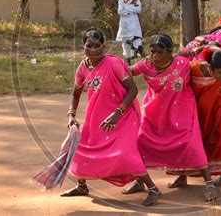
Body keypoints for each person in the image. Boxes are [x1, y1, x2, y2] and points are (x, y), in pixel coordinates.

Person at [60, 29, 161, 206]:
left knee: (125, 154)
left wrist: (117, 113)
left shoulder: (114, 63)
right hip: (98, 117)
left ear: (103, 47)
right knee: (80, 148)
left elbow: (133, 90)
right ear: (82, 47)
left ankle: (153, 189)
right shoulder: (82, 67)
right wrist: (71, 115)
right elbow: (76, 94)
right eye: (88, 46)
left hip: (124, 114)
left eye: (96, 46)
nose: (92, 49)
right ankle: (82, 186)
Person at [124, 34, 218, 202]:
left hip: (182, 113)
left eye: (160, 52)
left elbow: (205, 61)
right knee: (140, 143)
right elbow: (125, 72)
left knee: (192, 146)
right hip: (154, 114)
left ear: (170, 52)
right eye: (152, 52)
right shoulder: (145, 65)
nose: (155, 56)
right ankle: (140, 181)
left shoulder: (182, 63)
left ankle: (209, 183)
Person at [171, 49, 221, 192]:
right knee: (189, 143)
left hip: (218, 110)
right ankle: (182, 176)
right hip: (196, 112)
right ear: (210, 68)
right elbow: (177, 63)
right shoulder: (194, 68)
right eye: (220, 72)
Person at [116, 0, 144, 65]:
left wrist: (126, 9)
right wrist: (132, 10)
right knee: (126, 45)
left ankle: (146, 61)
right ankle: (128, 66)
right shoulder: (121, 0)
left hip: (134, 26)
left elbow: (138, 10)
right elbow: (120, 11)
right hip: (125, 27)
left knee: (138, 43)